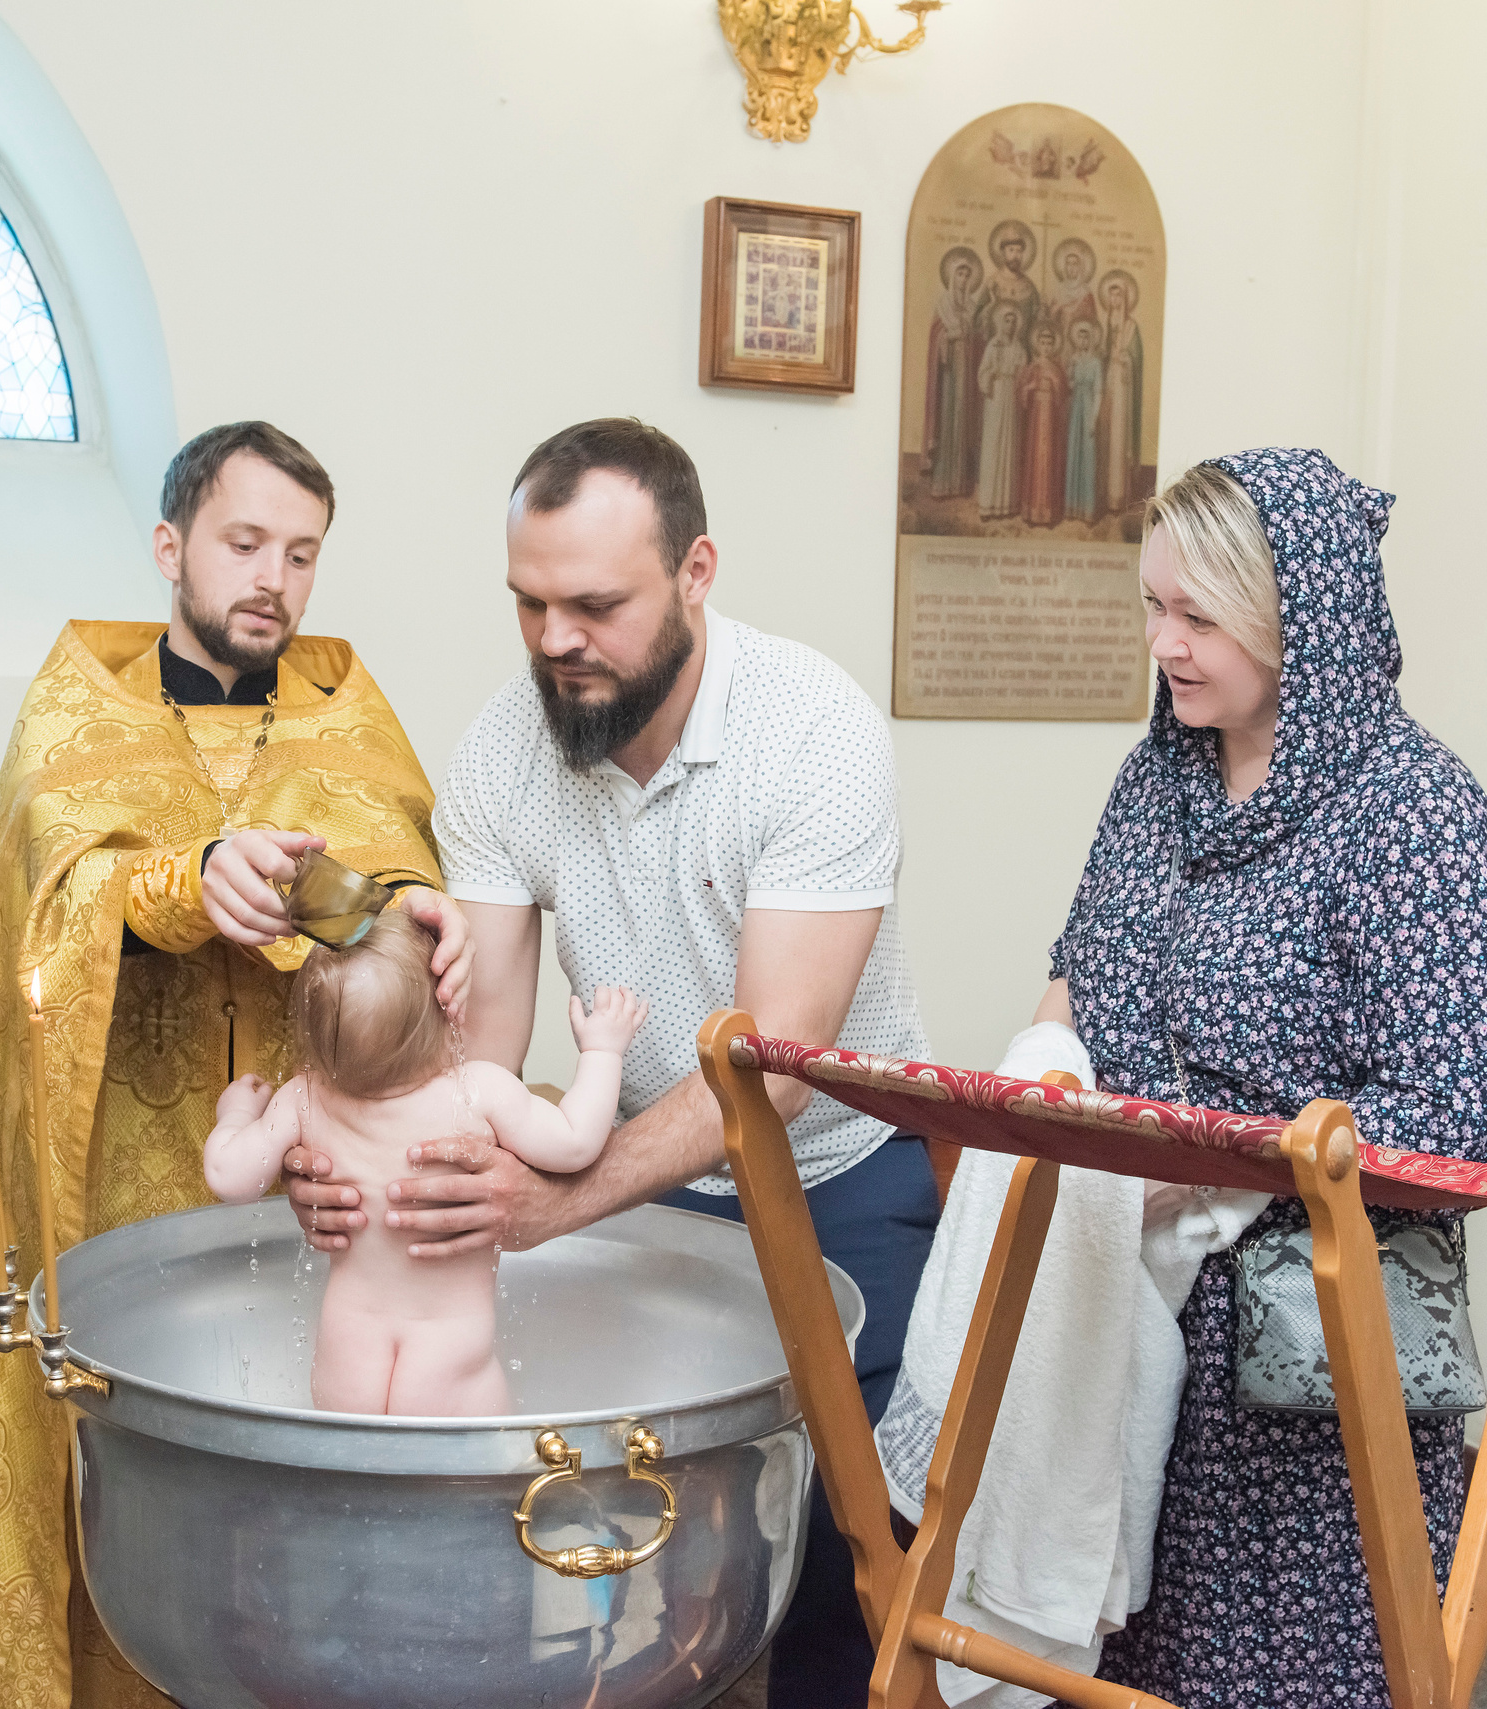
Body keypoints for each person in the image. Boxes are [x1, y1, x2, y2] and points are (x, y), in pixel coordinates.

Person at [285, 417, 938, 1707]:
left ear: (696, 573)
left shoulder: (815, 735)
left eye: (593, 604)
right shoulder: (502, 750)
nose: (553, 640)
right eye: (527, 603)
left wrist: (557, 1198)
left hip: (835, 1179)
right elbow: (478, 1051)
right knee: (636, 1558)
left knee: (837, 1569)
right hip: (635, 1165)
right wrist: (378, 1170)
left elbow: (779, 1068)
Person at [0, 421, 474, 1709]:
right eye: (244, 542)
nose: (273, 577)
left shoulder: (351, 722)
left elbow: (390, 888)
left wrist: (409, 910)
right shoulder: (75, 715)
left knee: (293, 1508)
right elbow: (35, 912)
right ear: (171, 547)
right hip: (115, 1174)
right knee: (127, 1483)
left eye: (303, 553)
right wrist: (173, 880)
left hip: (309, 1191)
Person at [1015, 449, 1487, 1705]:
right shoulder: (1158, 780)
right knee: (1122, 1653)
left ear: (1302, 618)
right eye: (1153, 606)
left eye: (1199, 616)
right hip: (1127, 1292)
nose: (1164, 643)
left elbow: (1464, 1122)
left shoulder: (1416, 813)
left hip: (1307, 1333)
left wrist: (1194, 1170)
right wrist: (1039, 1094)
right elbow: (1071, 982)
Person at [203, 908, 646, 1416]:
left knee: (353, 1486)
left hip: (347, 1352)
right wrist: (602, 1052)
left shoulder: (303, 1098)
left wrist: (237, 1112)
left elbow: (228, 1177)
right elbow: (576, 1143)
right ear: (447, 1013)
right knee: (471, 1488)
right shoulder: (478, 1091)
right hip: (450, 1354)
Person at [926, 246, 987, 498]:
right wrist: (951, 335)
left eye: (967, 275)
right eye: (960, 274)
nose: (963, 280)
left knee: (964, 422)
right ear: (952, 277)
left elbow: (980, 337)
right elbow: (936, 335)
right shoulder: (943, 303)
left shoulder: (972, 305)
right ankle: (943, 482)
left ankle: (961, 484)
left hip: (968, 371)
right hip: (950, 372)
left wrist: (975, 335)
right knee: (949, 420)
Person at [1094, 270, 1145, 516]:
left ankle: (1118, 497)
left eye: (1118, 297)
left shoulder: (1131, 327)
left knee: (1118, 438)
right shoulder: (1107, 325)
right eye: (1111, 298)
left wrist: (1125, 358)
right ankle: (1102, 496)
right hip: (1108, 384)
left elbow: (1137, 360)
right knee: (1105, 436)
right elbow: (1100, 355)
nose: (1115, 302)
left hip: (1124, 388)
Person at [975, 300, 1031, 520]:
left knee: (1010, 446)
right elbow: (983, 373)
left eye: (1013, 320)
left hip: (1012, 399)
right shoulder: (993, 346)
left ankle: (1007, 504)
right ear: (999, 322)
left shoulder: (1018, 348)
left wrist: (1018, 377)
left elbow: (1024, 375)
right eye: (1006, 320)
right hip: (996, 397)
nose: (1009, 324)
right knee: (993, 445)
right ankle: (988, 504)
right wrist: (993, 373)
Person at [1021, 322, 1069, 528]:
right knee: (1034, 459)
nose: (1046, 347)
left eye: (1050, 343)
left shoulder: (1056, 369)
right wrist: (1030, 387)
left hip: (1051, 422)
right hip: (1035, 419)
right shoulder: (1032, 367)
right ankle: (1032, 513)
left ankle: (1049, 514)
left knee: (1050, 461)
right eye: (1042, 342)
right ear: (1037, 345)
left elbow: (1064, 394)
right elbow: (1021, 395)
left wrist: (1055, 383)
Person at [1063, 319, 1105, 523]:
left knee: (1087, 457)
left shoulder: (1096, 363)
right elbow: (1069, 386)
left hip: (1088, 408)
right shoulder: (1074, 359)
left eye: (1086, 336)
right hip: (1075, 410)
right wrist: (1070, 370)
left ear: (1091, 340)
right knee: (1074, 453)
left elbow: (1098, 391)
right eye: (1079, 336)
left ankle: (1087, 511)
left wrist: (1093, 419)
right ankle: (1072, 508)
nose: (1082, 340)